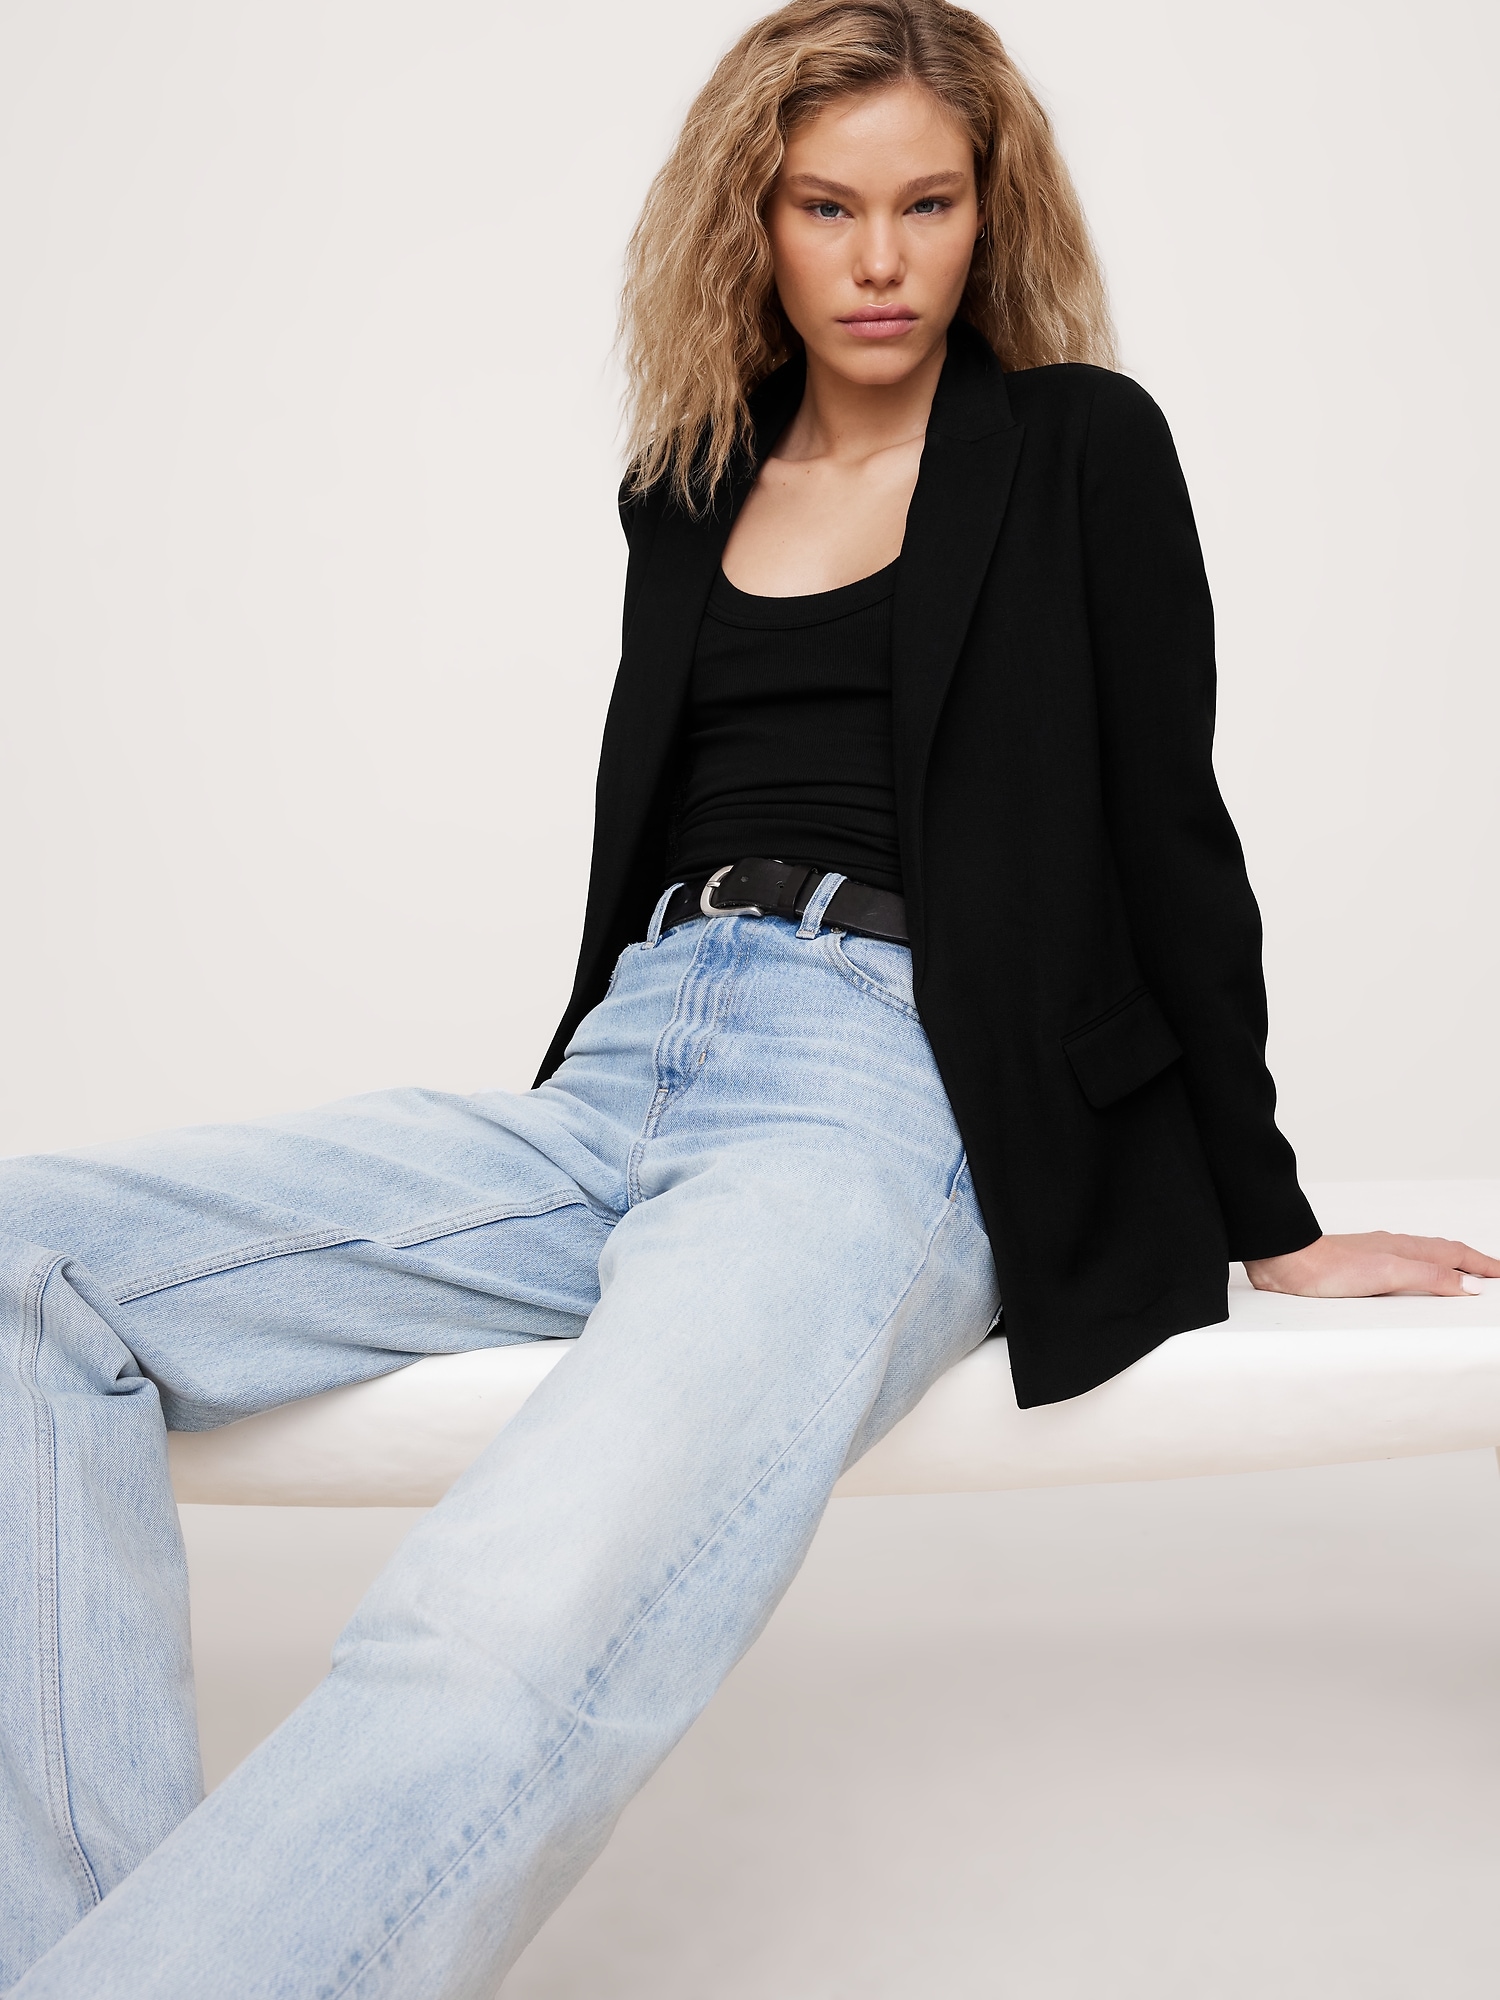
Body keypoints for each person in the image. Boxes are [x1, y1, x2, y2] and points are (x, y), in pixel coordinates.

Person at [3, 2, 1494, 1992]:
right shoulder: (687, 484)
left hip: (885, 1093)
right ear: (754, 220)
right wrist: (592, 1114)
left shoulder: (1078, 448)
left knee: (499, 1616)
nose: (880, 260)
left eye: (928, 204)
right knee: (33, 1260)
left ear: (991, 215)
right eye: (826, 206)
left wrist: (1272, 1217)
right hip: (629, 1069)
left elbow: (1172, 832)